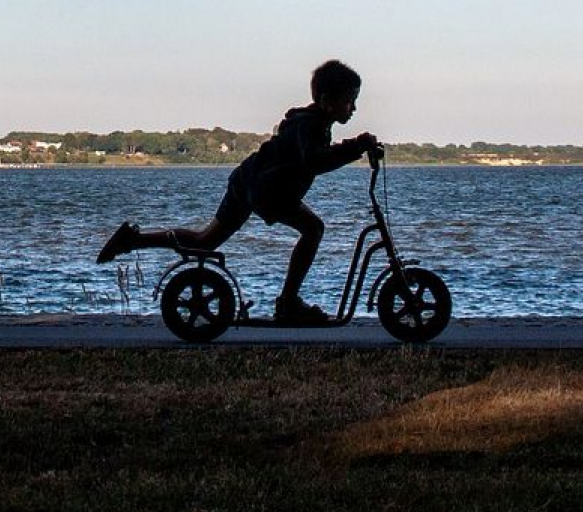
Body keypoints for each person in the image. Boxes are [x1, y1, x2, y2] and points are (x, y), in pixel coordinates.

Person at [95, 59, 381, 324]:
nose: (353, 108)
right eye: (349, 101)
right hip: (266, 190)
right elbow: (315, 161)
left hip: (247, 180)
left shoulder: (312, 122)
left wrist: (354, 147)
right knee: (313, 229)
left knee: (205, 242)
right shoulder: (308, 125)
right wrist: (356, 146)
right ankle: (288, 303)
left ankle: (133, 240)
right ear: (327, 101)